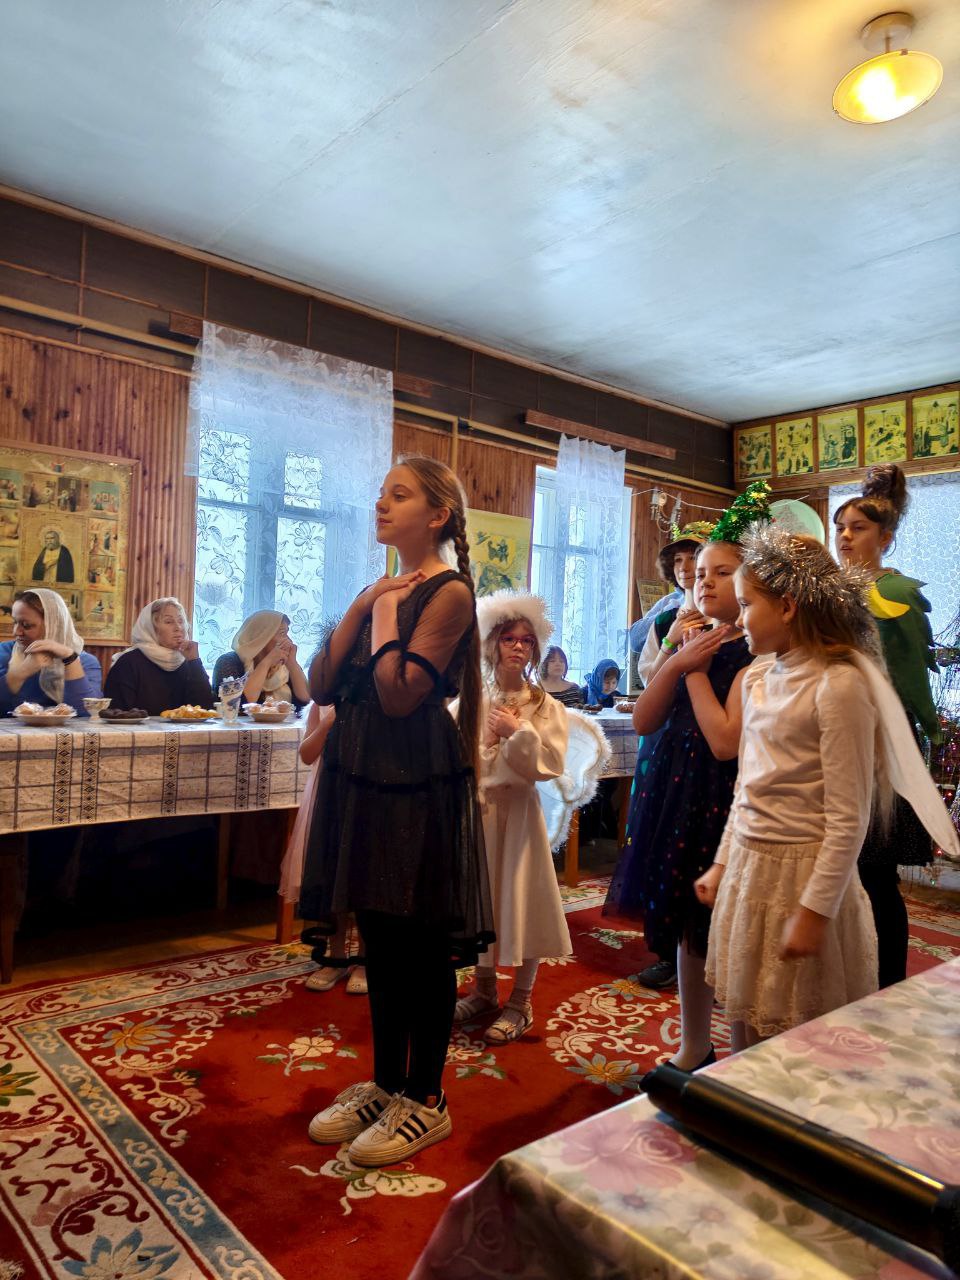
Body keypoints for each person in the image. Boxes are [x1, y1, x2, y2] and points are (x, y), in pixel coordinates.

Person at [298, 455, 493, 1169]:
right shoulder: (379, 588)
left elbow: (400, 692)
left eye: (399, 495)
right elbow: (321, 684)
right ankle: (385, 1083)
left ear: (437, 514)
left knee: (419, 944)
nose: (381, 504)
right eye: (381, 493)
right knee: (380, 941)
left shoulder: (450, 592)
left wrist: (382, 614)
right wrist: (364, 605)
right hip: (361, 777)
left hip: (414, 778)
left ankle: (426, 1096)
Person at [696, 529, 958, 1044]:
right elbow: (748, 787)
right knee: (746, 1017)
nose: (739, 618)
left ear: (787, 606)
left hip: (804, 878)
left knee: (797, 1031)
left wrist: (815, 911)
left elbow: (848, 816)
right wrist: (724, 862)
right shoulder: (757, 678)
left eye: (747, 605)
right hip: (750, 868)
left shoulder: (838, 685)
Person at [605, 534, 752, 1070]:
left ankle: (745, 1053)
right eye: (701, 572)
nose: (705, 581)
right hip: (678, 790)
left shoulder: (755, 651)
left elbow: (726, 743)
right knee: (689, 923)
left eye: (722, 572)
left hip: (725, 796)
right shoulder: (688, 638)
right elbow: (646, 719)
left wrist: (691, 668)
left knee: (730, 929)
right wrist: (675, 658)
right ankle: (695, 1044)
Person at [833, 464, 941, 987]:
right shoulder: (827, 590)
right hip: (832, 740)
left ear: (886, 538)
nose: (845, 536)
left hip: (879, 744)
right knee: (836, 870)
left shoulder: (896, 593)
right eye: (840, 527)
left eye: (858, 528)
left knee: (874, 872)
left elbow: (907, 677)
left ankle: (888, 986)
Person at [454, 592, 571, 1043]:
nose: (518, 647)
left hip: (520, 815)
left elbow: (550, 763)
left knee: (523, 901)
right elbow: (453, 752)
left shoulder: (544, 706)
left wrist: (515, 731)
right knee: (484, 901)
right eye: (509, 639)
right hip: (481, 813)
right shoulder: (473, 699)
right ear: (493, 644)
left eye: (526, 640)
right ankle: (484, 989)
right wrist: (479, 744)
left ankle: (520, 1001)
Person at [636, 524, 714, 688]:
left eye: (692, 558)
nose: (683, 568)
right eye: (678, 560)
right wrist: (669, 642)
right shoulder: (663, 621)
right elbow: (649, 685)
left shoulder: (724, 618)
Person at [104, 598, 215, 715]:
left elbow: (205, 709)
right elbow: (117, 714)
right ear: (151, 628)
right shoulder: (128, 663)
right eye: (169, 622)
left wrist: (195, 661)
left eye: (181, 621)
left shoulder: (187, 662)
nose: (178, 627)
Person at [0, 588, 102, 714]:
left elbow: (86, 713)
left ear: (54, 625)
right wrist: (22, 672)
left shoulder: (86, 661)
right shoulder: (4, 652)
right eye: (15, 622)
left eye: (26, 625)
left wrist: (69, 658)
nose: (16, 632)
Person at [212, 611, 310, 709]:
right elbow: (237, 704)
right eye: (282, 633)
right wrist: (267, 662)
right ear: (262, 637)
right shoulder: (228, 661)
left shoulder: (284, 664)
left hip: (287, 720)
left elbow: (306, 699)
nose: (289, 640)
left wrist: (292, 663)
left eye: (287, 633)